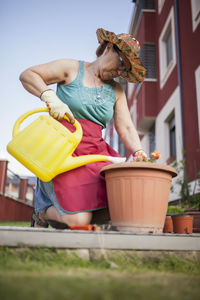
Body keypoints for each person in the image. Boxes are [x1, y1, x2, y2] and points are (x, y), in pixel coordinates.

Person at [19, 28, 147, 228]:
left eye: (125, 70)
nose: (120, 72)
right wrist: (49, 96)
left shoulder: (117, 90)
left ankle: (73, 219)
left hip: (94, 154)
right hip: (61, 152)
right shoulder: (71, 68)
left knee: (119, 204)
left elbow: (127, 127)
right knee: (78, 219)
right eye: (122, 63)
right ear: (110, 48)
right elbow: (28, 74)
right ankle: (41, 213)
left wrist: (139, 151)